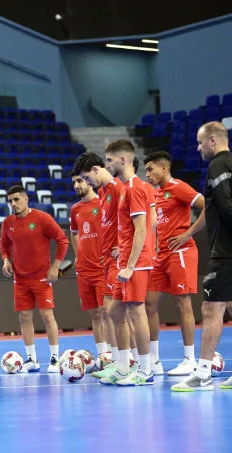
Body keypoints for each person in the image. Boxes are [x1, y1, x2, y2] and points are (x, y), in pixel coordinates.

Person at [172, 122, 232, 392]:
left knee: (211, 309)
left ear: (212, 141)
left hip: (226, 251)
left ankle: (202, 374)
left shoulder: (216, 167)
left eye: (200, 143)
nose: (198, 148)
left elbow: (226, 206)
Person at [144, 151, 206, 376]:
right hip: (160, 256)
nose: (147, 173)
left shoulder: (179, 187)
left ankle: (190, 359)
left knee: (183, 304)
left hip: (181, 253)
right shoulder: (156, 194)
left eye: (151, 169)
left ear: (164, 167)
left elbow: (206, 206)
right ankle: (154, 360)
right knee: (149, 303)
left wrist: (188, 233)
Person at [101, 140, 157, 386]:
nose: (106, 164)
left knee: (136, 310)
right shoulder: (127, 187)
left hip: (134, 263)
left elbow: (142, 229)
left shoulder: (134, 188)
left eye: (109, 160)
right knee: (114, 310)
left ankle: (145, 370)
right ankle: (124, 368)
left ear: (123, 159)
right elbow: (152, 219)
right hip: (125, 258)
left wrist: (131, 264)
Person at [0, 185, 69, 373]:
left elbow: (62, 240)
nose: (13, 204)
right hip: (20, 279)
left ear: (26, 199)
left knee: (47, 316)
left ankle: (54, 359)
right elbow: (4, 245)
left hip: (41, 278)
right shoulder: (7, 223)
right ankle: (32, 360)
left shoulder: (42, 218)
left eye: (17, 199)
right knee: (24, 317)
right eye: (11, 201)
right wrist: (6, 260)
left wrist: (56, 266)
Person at [75, 152, 128, 380]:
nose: (85, 184)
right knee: (106, 314)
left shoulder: (116, 189)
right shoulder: (104, 193)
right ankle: (116, 362)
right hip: (102, 264)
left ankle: (134, 363)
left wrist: (123, 248)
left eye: (85, 179)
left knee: (122, 312)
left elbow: (135, 221)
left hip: (115, 264)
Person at [68, 170, 113, 371]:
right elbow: (74, 233)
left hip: (103, 269)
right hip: (84, 271)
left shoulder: (103, 203)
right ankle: (103, 355)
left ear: (88, 181)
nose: (76, 185)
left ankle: (115, 355)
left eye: (79, 181)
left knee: (109, 312)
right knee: (95, 314)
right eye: (74, 182)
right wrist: (79, 255)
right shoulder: (75, 209)